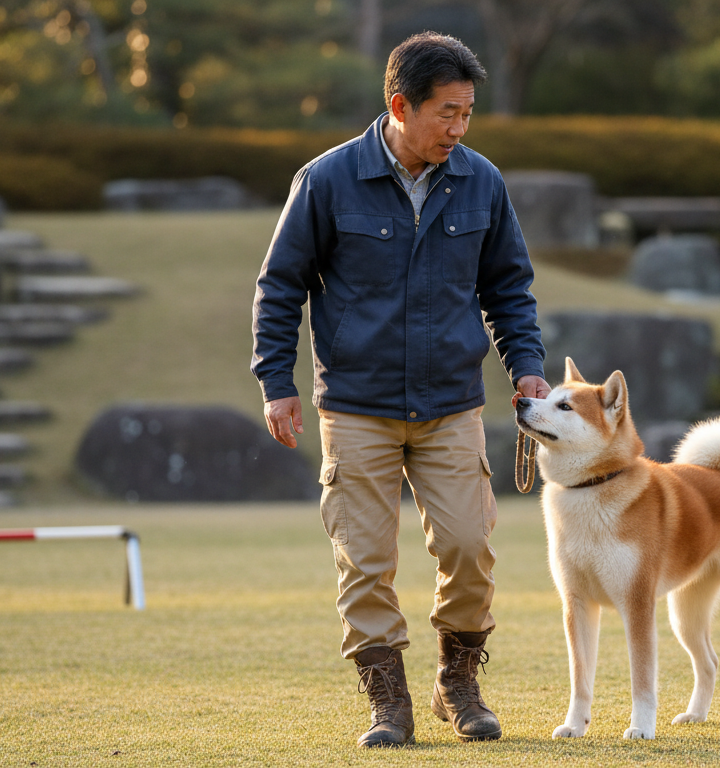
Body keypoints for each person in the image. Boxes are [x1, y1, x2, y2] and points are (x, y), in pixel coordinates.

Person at [251, 32, 549, 748]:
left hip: (452, 403)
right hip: (356, 406)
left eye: (467, 112)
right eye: (446, 112)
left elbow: (509, 287)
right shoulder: (325, 181)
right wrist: (275, 382)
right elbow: (280, 286)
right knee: (366, 559)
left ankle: (458, 682)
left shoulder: (483, 182)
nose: (458, 128)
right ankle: (388, 702)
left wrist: (528, 367)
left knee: (470, 545)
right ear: (399, 106)